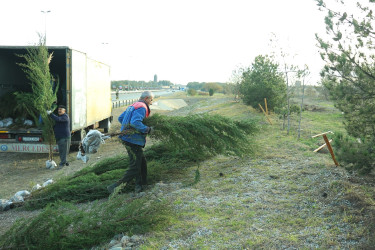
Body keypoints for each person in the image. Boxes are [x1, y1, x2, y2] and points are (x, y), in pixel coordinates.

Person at [107, 91, 154, 193]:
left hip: (127, 138)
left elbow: (121, 118)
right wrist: (147, 129)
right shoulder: (142, 107)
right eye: (151, 99)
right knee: (135, 166)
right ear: (146, 98)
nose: (152, 102)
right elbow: (135, 122)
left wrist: (128, 128)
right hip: (133, 140)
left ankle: (140, 185)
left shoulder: (133, 105)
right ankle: (114, 187)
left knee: (141, 162)